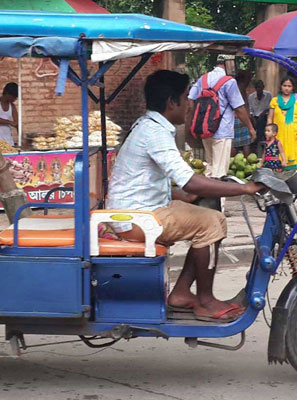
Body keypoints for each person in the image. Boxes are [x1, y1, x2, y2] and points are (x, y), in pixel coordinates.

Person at [107, 70, 263, 322]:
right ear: (171, 102)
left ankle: (181, 293)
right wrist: (245, 188)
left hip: (140, 210)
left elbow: (147, 181)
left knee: (207, 210)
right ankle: (205, 300)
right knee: (213, 222)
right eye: (185, 98)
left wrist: (182, 196)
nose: (190, 105)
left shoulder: (150, 126)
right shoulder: (154, 132)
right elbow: (190, 180)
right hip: (137, 218)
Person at [186, 57, 256, 180]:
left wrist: (194, 123)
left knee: (210, 165)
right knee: (220, 171)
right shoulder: (229, 81)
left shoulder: (203, 79)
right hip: (222, 131)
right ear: (228, 63)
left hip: (206, 130)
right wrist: (250, 128)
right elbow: (239, 108)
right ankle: (217, 198)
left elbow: (191, 101)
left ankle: (206, 196)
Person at [268, 77, 297, 170]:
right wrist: (269, 133)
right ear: (281, 86)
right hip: (278, 133)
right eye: (284, 85)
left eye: (289, 86)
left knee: (295, 157)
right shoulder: (275, 101)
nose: (287, 88)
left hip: (295, 133)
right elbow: (270, 117)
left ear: (293, 87)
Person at [232, 70, 255, 157]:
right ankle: (247, 160)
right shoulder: (241, 88)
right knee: (245, 142)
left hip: (237, 116)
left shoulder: (236, 87)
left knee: (236, 142)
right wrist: (248, 116)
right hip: (241, 116)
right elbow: (243, 105)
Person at [248, 80, 272, 155]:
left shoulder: (268, 95)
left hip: (265, 117)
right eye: (257, 87)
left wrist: (263, 113)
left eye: (260, 87)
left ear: (263, 87)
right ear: (255, 88)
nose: (259, 89)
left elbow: (270, 107)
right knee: (254, 133)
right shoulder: (251, 97)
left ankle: (265, 150)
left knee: (264, 132)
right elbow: (251, 110)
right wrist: (253, 118)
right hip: (255, 117)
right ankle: (254, 149)